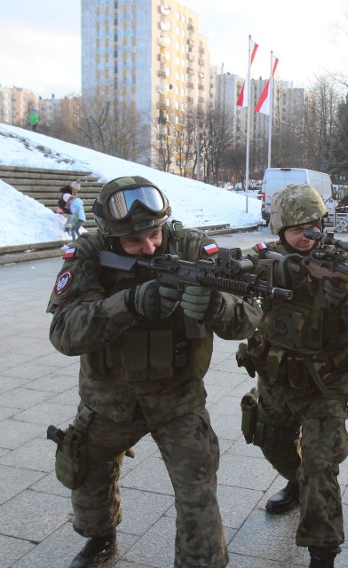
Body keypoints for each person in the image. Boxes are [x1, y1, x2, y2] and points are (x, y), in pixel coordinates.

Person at [47, 176, 262, 568]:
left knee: (198, 491)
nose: (148, 246)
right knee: (86, 472)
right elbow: (64, 333)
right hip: (108, 399)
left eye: (154, 235)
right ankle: (100, 539)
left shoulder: (194, 247)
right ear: (112, 237)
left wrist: (217, 306)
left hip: (177, 399)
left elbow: (247, 316)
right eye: (134, 242)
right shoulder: (89, 255)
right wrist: (127, 303)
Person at [240, 184, 348, 568]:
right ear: (279, 231)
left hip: (326, 385)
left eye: (313, 227)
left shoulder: (343, 267)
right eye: (296, 230)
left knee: (320, 464)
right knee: (270, 441)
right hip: (275, 378)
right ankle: (296, 482)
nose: (306, 237)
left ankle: (323, 553)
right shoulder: (266, 260)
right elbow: (235, 279)